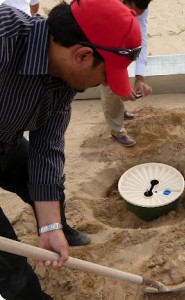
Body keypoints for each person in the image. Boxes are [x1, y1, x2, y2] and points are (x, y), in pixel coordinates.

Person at [0, 0, 141, 298]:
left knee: (41, 178)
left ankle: (58, 226)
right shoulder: (4, 37)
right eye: (105, 75)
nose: (102, 84)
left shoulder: (64, 81)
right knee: (8, 261)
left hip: (5, 141)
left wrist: (49, 225)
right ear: (82, 55)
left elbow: (47, 148)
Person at [100, 0, 152, 147]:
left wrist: (139, 77)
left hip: (115, 31)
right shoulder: (105, 6)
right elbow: (109, 55)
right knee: (108, 78)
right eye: (133, 10)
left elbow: (141, 37)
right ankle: (116, 130)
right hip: (99, 35)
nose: (135, 15)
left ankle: (118, 108)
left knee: (124, 58)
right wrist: (118, 86)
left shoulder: (140, 6)